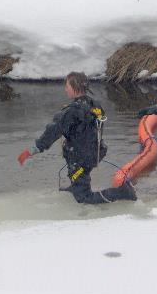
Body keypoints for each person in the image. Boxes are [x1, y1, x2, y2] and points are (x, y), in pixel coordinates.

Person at [18, 72, 137, 204]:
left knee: (84, 198)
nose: (65, 89)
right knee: (79, 174)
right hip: (95, 153)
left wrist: (32, 150)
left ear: (75, 87)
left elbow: (52, 132)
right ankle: (77, 185)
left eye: (67, 85)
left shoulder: (71, 111)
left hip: (80, 159)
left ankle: (121, 192)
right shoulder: (95, 105)